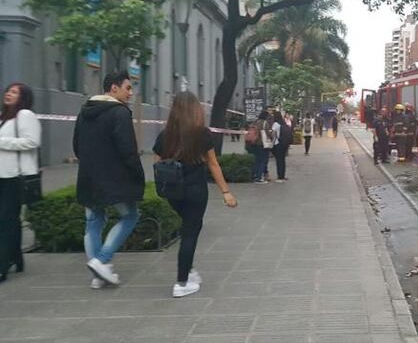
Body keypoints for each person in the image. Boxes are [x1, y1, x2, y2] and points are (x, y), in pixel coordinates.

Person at [153, 92, 238, 297]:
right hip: (195, 190)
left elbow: (156, 163)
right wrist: (226, 192)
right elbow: (213, 164)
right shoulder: (202, 134)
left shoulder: (165, 135)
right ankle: (182, 283)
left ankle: (189, 270)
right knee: (190, 232)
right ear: (195, 110)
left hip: (172, 192)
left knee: (190, 227)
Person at [73, 71, 144, 288]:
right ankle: (102, 260)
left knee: (93, 221)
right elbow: (128, 150)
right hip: (114, 178)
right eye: (128, 87)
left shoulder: (85, 111)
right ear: (114, 88)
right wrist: (137, 174)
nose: (130, 93)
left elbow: (76, 145)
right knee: (130, 216)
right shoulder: (120, 113)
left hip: (88, 176)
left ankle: (97, 276)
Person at [0, 83, 40, 284]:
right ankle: (16, 257)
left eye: (14, 92)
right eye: (8, 91)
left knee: (6, 220)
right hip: (2, 175)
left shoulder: (25, 115)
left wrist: (1, 141)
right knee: (9, 219)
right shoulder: (4, 117)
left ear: (23, 97)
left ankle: (3, 264)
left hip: (15, 177)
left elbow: (32, 141)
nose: (8, 94)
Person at [250, 111, 274, 184]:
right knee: (263, 160)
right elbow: (268, 133)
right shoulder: (265, 123)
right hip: (263, 144)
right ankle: (259, 177)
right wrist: (272, 136)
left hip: (255, 143)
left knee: (257, 160)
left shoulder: (255, 122)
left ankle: (255, 176)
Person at [271, 112, 291, 183]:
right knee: (282, 160)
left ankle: (279, 177)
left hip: (278, 144)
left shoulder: (275, 124)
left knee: (279, 161)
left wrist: (271, 144)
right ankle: (282, 176)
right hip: (285, 144)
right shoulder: (284, 123)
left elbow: (273, 135)